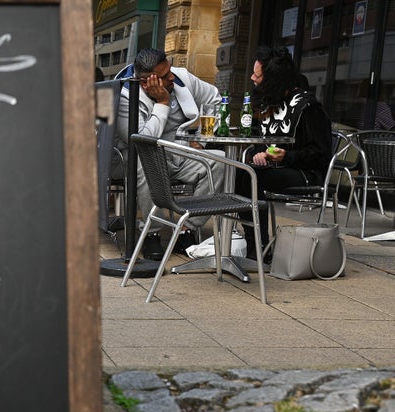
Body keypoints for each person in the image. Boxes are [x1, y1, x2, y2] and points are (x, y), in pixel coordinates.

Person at [115, 48, 225, 260]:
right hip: (136, 158)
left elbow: (214, 99)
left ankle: (185, 229)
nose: (171, 76)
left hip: (176, 154)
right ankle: (151, 233)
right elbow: (142, 141)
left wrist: (201, 137)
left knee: (218, 162)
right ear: (147, 82)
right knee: (144, 161)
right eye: (165, 76)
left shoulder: (181, 77)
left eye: (169, 69)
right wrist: (162, 103)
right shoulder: (126, 96)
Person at [236, 46, 332, 259]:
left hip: (306, 174)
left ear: (273, 80)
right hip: (275, 170)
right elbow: (263, 141)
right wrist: (260, 153)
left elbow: (321, 153)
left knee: (253, 178)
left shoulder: (308, 107)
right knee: (240, 173)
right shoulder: (269, 103)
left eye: (257, 75)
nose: (252, 78)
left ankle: (258, 248)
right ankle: (253, 242)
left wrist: (287, 156)